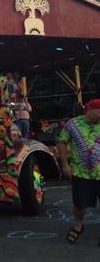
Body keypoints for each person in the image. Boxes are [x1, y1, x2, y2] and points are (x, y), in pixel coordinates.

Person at [56, 98, 100, 245]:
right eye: (99, 112)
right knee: (80, 204)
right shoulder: (73, 124)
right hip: (81, 173)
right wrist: (65, 165)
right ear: (90, 110)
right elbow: (62, 142)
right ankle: (78, 225)